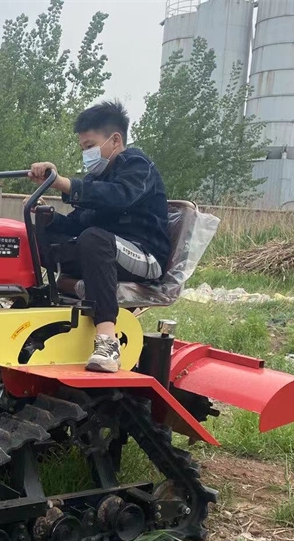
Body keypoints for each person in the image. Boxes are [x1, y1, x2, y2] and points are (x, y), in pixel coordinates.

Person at [27, 100, 170, 373]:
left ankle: (107, 341)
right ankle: (24, 310)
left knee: (94, 238)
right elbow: (76, 224)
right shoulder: (96, 178)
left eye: (90, 146)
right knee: (35, 239)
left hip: (144, 255)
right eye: (83, 149)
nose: (86, 154)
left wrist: (60, 181)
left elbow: (118, 197)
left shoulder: (138, 166)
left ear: (115, 140)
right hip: (102, 252)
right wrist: (47, 217)